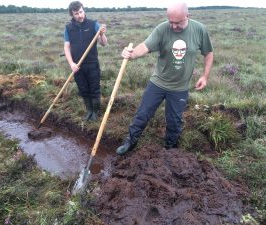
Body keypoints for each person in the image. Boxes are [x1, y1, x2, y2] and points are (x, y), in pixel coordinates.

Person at [116, 1, 214, 155]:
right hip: (158, 83)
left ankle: (170, 149)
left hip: (180, 88)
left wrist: (205, 76)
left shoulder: (199, 29)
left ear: (188, 15)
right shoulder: (162, 29)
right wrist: (132, 53)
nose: (173, 26)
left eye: (178, 23)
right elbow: (146, 46)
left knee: (174, 122)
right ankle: (130, 141)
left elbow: (208, 53)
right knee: (142, 114)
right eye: (171, 22)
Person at [64, 1, 107, 121]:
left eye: (81, 12)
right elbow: (67, 47)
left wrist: (102, 34)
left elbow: (104, 43)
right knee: (83, 89)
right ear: (72, 15)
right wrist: (71, 64)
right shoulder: (68, 28)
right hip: (77, 66)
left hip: (92, 64)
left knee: (94, 88)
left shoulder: (93, 24)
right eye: (76, 13)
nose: (80, 15)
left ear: (84, 10)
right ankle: (89, 110)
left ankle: (95, 112)